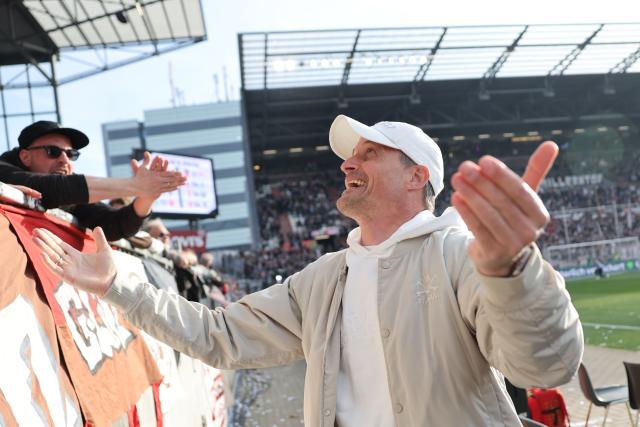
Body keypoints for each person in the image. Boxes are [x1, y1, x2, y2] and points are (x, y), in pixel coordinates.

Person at [33, 115, 583, 426]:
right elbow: (219, 336)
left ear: (417, 176)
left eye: (369, 154)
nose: (348, 162)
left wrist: (510, 270)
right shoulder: (324, 279)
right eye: (351, 154)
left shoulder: (459, 253)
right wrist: (116, 285)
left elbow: (544, 365)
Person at [0, 120, 186, 241]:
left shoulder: (68, 189)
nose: (64, 160)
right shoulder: (4, 170)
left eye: (71, 154)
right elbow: (46, 188)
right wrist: (134, 185)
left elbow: (112, 225)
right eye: (53, 151)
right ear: (25, 157)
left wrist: (146, 197)